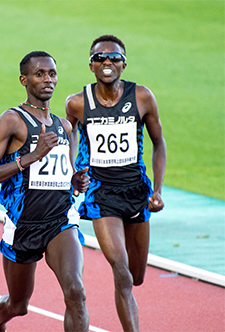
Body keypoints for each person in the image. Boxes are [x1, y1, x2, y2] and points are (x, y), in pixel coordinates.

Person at [0, 51, 90, 332]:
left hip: (60, 221)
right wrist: (28, 157)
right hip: (23, 225)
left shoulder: (64, 126)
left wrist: (74, 182)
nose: (47, 79)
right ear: (23, 79)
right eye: (39, 74)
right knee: (19, 305)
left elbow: (64, 174)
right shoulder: (12, 120)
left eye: (52, 73)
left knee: (76, 291)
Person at [65, 35, 167, 331]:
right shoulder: (77, 103)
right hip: (101, 194)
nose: (107, 62)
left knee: (136, 275)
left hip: (136, 191)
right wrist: (73, 171)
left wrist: (157, 190)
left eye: (113, 57)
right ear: (91, 65)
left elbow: (159, 143)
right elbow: (69, 137)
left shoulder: (142, 97)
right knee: (121, 272)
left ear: (124, 63)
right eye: (100, 58)